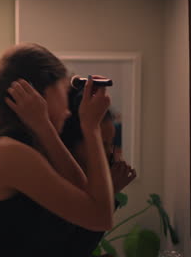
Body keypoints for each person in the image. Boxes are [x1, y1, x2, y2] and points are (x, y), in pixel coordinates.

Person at [0, 43, 114, 256]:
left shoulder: (12, 147)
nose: (67, 111)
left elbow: (80, 188)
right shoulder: (7, 153)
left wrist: (44, 127)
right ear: (41, 91)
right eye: (64, 92)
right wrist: (91, 127)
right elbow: (100, 217)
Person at [60, 86, 137, 257]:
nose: (109, 154)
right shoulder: (53, 183)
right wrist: (109, 193)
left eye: (111, 144)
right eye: (101, 144)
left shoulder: (81, 182)